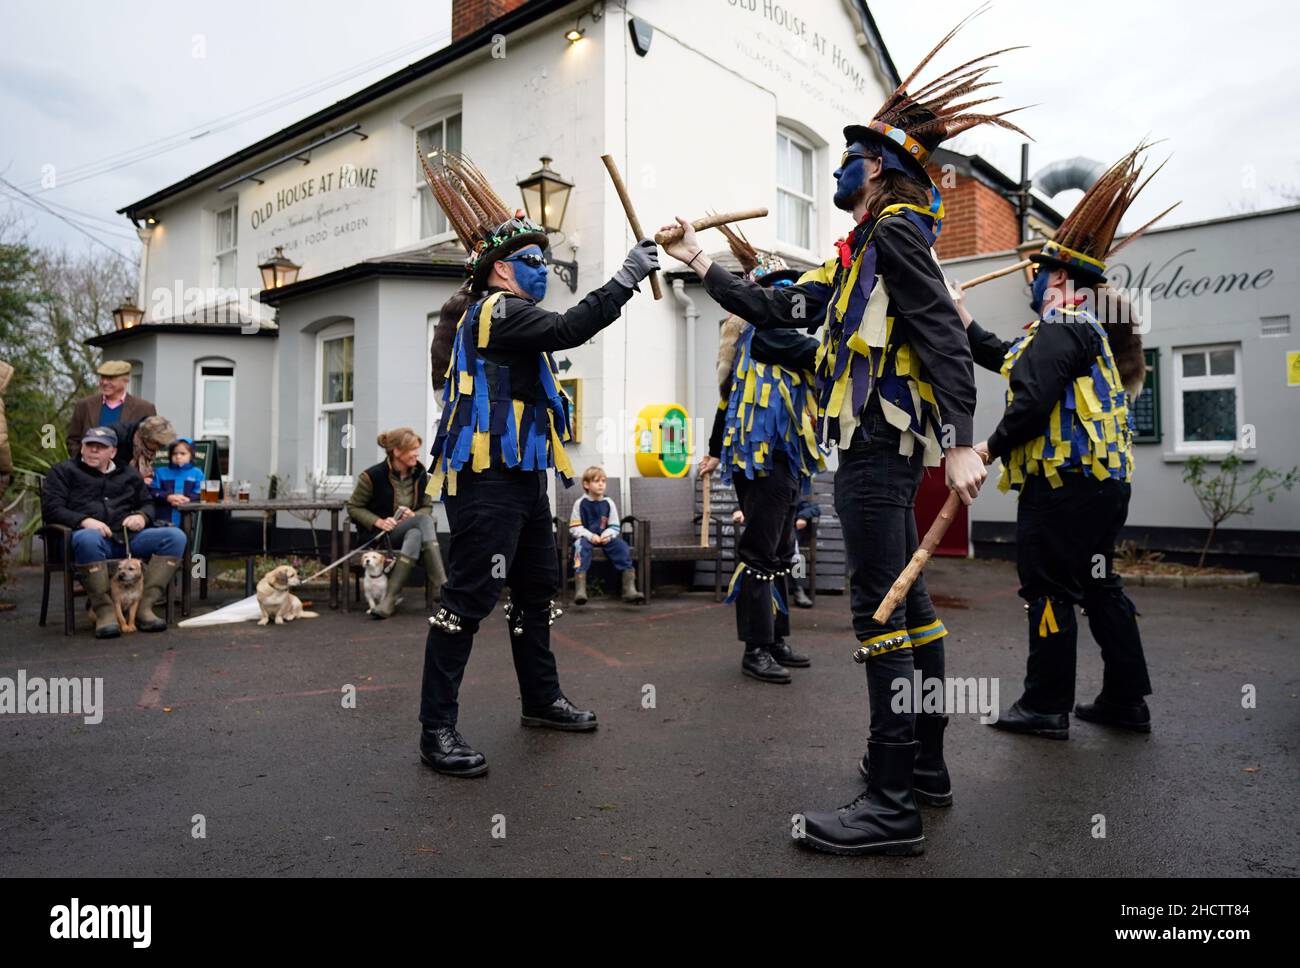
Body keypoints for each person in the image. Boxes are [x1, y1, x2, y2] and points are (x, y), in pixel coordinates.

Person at [662, 12, 1024, 854]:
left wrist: (964, 438)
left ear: (884, 168)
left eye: (852, 155)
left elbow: (940, 334)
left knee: (880, 615)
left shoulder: (897, 232)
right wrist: (697, 261)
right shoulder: (861, 249)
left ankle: (890, 804)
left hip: (876, 451)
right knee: (916, 610)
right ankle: (922, 774)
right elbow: (780, 305)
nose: (840, 164)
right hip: (877, 456)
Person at [416, 149, 659, 777]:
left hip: (522, 476)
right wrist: (627, 277)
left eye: (543, 259)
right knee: (468, 596)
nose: (543, 268)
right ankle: (435, 729)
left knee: (534, 590)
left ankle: (541, 699)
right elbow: (572, 327)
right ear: (501, 270)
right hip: (485, 477)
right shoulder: (498, 311)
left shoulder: (502, 313)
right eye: (532, 261)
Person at [959, 144, 1172, 740]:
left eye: (1038, 273)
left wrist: (987, 449)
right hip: (1100, 488)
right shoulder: (1080, 331)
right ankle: (1126, 701)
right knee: (1100, 582)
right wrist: (965, 322)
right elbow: (1012, 363)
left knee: (1049, 587)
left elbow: (1031, 400)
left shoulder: (1061, 326)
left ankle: (1045, 705)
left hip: (1064, 489)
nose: (1032, 280)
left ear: (1059, 278)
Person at [700, 226, 823, 683]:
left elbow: (723, 403)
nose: (793, 300)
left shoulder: (771, 338)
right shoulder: (771, 336)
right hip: (763, 460)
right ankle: (756, 648)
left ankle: (775, 638)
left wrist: (713, 451)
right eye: (785, 292)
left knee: (781, 549)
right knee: (760, 551)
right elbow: (818, 354)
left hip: (785, 459)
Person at [40, 426, 185, 638]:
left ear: (113, 452)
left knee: (175, 537)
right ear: (82, 448)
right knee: (88, 538)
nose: (93, 451)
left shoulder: (127, 473)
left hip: (127, 537)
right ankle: (105, 612)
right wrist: (83, 520)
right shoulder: (63, 471)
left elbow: (147, 503)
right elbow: (51, 508)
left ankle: (143, 607)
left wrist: (142, 517)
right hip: (84, 541)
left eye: (100, 447)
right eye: (90, 446)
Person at [346, 427, 446, 617]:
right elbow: (353, 507)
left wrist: (412, 515)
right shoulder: (371, 476)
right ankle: (441, 586)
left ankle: (388, 601)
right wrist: (378, 521)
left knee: (417, 530)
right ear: (397, 451)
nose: (417, 453)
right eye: (413, 449)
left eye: (418, 449)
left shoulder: (420, 473)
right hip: (381, 536)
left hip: (407, 534)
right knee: (423, 522)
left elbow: (427, 507)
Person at [568, 465, 643, 605]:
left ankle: (629, 589)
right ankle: (580, 589)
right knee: (579, 548)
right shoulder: (580, 503)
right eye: (597, 481)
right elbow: (575, 527)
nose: (601, 484)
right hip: (586, 538)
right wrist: (590, 536)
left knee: (622, 546)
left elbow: (614, 525)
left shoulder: (609, 503)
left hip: (605, 537)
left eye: (603, 481)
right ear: (586, 484)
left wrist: (608, 535)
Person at [67, 360, 155, 456]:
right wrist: (82, 463)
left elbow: (152, 443)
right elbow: (73, 440)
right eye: (102, 377)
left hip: (127, 469)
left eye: (110, 378)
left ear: (126, 380)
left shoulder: (144, 408)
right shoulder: (84, 405)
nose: (104, 382)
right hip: (88, 468)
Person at [150, 437, 205, 526]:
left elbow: (201, 492)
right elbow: (153, 491)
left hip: (188, 519)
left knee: (186, 537)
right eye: (174, 453)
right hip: (163, 517)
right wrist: (167, 497)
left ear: (191, 455)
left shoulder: (197, 473)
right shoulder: (160, 472)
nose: (178, 456)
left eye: (183, 453)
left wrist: (188, 499)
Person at [790, 497, 820, 609]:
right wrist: (737, 510)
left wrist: (802, 517)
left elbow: (814, 508)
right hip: (767, 534)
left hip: (789, 537)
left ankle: (798, 589)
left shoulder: (792, 494)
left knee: (795, 553)